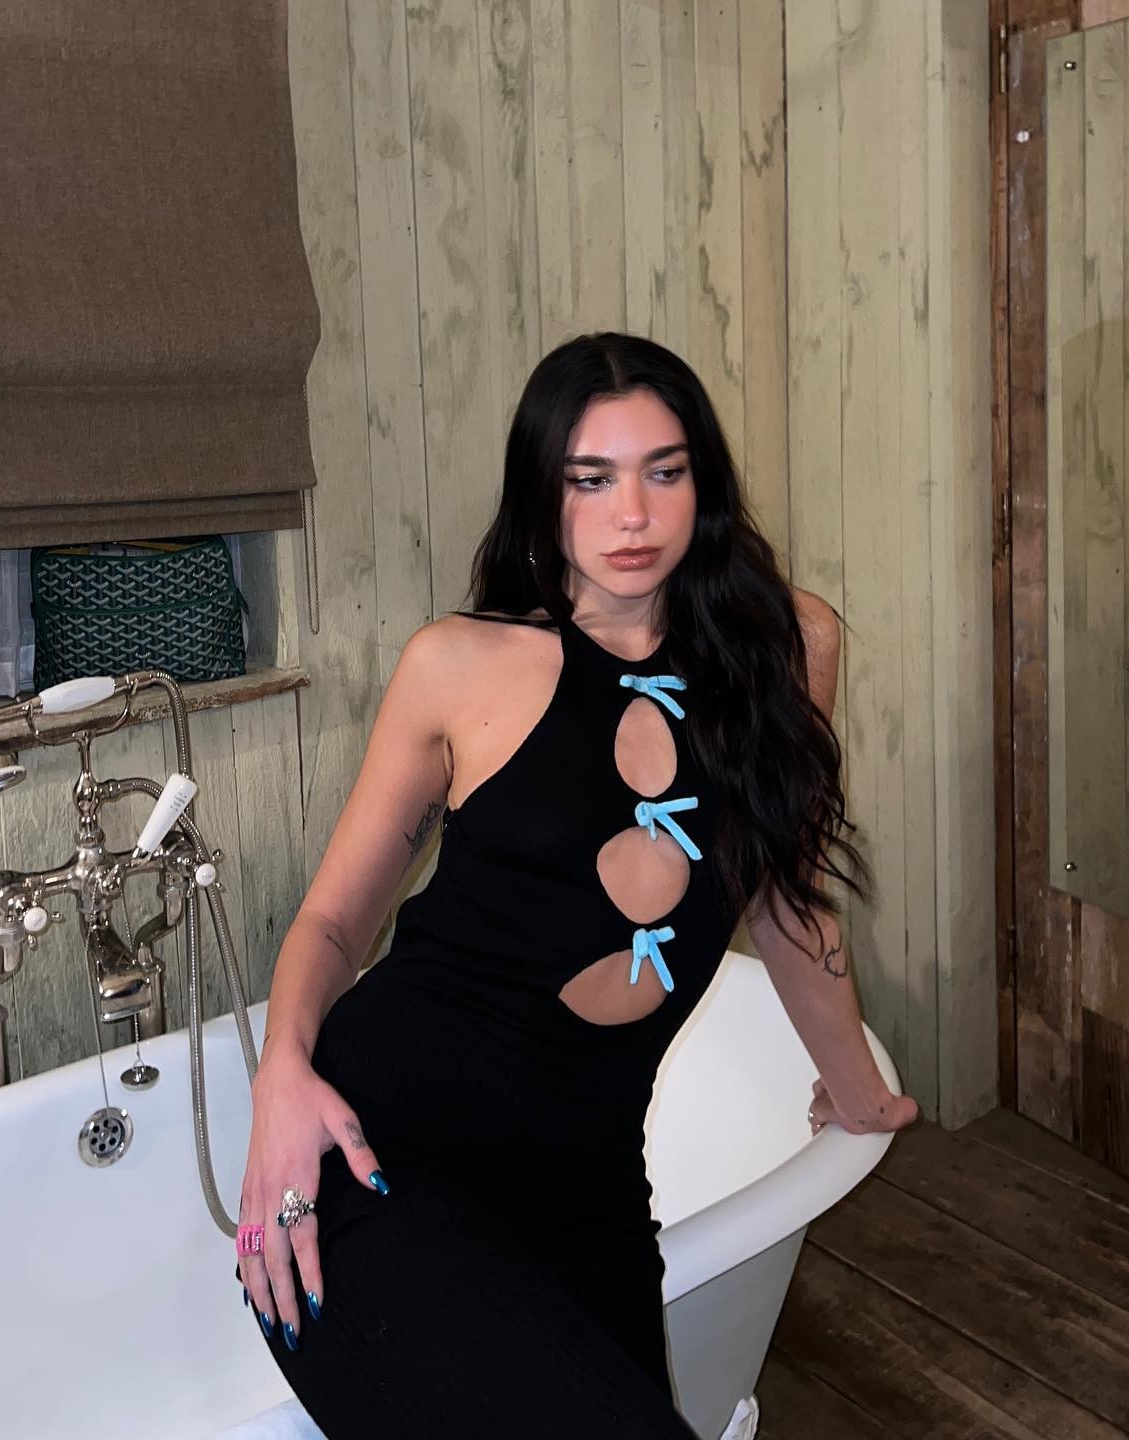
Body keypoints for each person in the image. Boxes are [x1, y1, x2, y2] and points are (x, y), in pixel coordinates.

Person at [231, 332, 919, 1437]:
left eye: (663, 471)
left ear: (705, 480)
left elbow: (783, 897)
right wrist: (281, 1079)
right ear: (542, 495)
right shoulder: (459, 665)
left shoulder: (787, 649)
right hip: (384, 1163)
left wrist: (860, 1092)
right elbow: (332, 922)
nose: (631, 515)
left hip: (590, 1189)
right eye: (590, 480)